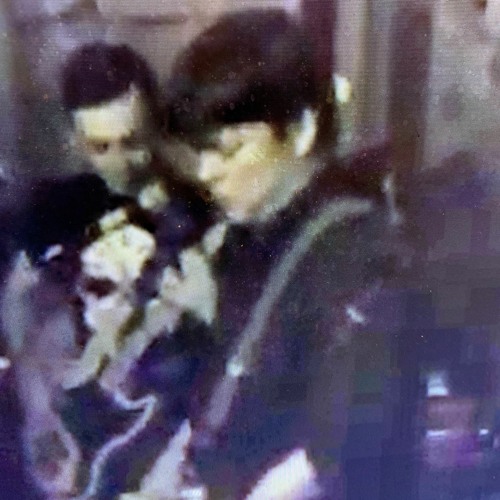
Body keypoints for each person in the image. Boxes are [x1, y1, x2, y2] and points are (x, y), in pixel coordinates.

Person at [164, 9, 403, 498]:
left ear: (300, 130)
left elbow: (322, 457)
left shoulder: (354, 250)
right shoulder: (248, 233)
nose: (206, 172)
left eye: (228, 150)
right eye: (200, 150)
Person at [0, 42, 220, 498]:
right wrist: (37, 408)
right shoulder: (54, 206)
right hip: (49, 415)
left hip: (145, 429)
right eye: (101, 147)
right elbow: (18, 300)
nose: (122, 163)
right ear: (74, 141)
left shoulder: (200, 212)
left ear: (157, 126)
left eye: (133, 142)